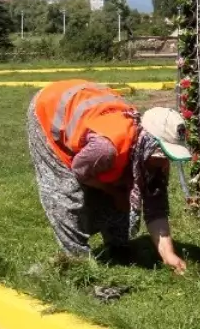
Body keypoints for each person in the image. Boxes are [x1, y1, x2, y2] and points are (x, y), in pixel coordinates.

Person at [26, 79, 190, 274]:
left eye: (169, 157)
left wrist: (168, 255)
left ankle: (118, 246)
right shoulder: (106, 149)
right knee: (66, 193)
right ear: (147, 142)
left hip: (89, 109)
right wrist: (113, 192)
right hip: (50, 110)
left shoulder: (150, 155)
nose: (164, 163)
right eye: (161, 155)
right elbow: (79, 172)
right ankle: (77, 262)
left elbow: (156, 208)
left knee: (123, 183)